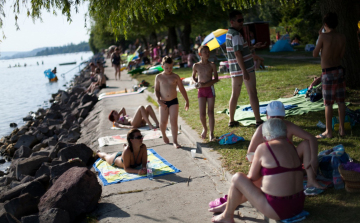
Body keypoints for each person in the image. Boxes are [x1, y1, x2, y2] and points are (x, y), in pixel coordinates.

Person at [209, 118, 305, 222]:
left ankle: (227, 216)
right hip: (298, 205)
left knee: (238, 178)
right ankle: (228, 206)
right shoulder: (291, 147)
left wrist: (255, 164)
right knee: (263, 179)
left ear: (265, 136)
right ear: (285, 132)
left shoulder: (264, 147)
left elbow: (251, 178)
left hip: (279, 210)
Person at [247, 101, 324, 189]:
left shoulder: (288, 125)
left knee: (306, 144)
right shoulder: (261, 130)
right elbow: (250, 153)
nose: (276, 119)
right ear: (267, 116)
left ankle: (311, 180)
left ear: (283, 116)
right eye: (273, 117)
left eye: (279, 116)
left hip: (290, 159)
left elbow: (311, 138)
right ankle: (295, 173)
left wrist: (314, 159)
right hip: (271, 164)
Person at [226, 10, 263, 127]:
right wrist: (244, 71)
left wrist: (252, 47)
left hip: (234, 69)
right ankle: (258, 121)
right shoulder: (236, 34)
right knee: (252, 92)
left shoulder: (230, 33)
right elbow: (237, 53)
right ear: (232, 22)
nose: (242, 22)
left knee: (235, 94)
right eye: (239, 20)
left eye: (242, 19)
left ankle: (231, 120)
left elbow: (240, 50)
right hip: (245, 68)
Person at [313, 12, 346, 138]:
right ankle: (342, 130)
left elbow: (315, 54)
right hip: (339, 71)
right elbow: (341, 55)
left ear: (325, 24)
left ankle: (328, 131)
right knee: (341, 101)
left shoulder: (323, 37)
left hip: (327, 73)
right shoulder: (342, 37)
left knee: (328, 103)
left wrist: (320, 38)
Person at [155, 56, 189, 148]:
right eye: (166, 68)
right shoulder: (159, 77)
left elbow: (182, 89)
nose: (169, 69)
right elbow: (157, 90)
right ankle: (164, 135)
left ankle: (175, 141)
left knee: (174, 121)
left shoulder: (175, 76)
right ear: (162, 66)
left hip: (174, 101)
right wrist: (158, 100)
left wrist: (186, 100)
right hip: (163, 102)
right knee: (163, 122)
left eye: (170, 67)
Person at [192, 45, 219, 141]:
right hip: (201, 91)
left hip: (210, 90)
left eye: (208, 52)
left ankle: (211, 133)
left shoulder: (212, 65)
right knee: (202, 114)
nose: (208, 54)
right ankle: (205, 128)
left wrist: (206, 84)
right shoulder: (196, 65)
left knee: (210, 112)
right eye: (205, 52)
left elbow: (216, 79)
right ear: (200, 54)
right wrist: (196, 83)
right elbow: (194, 77)